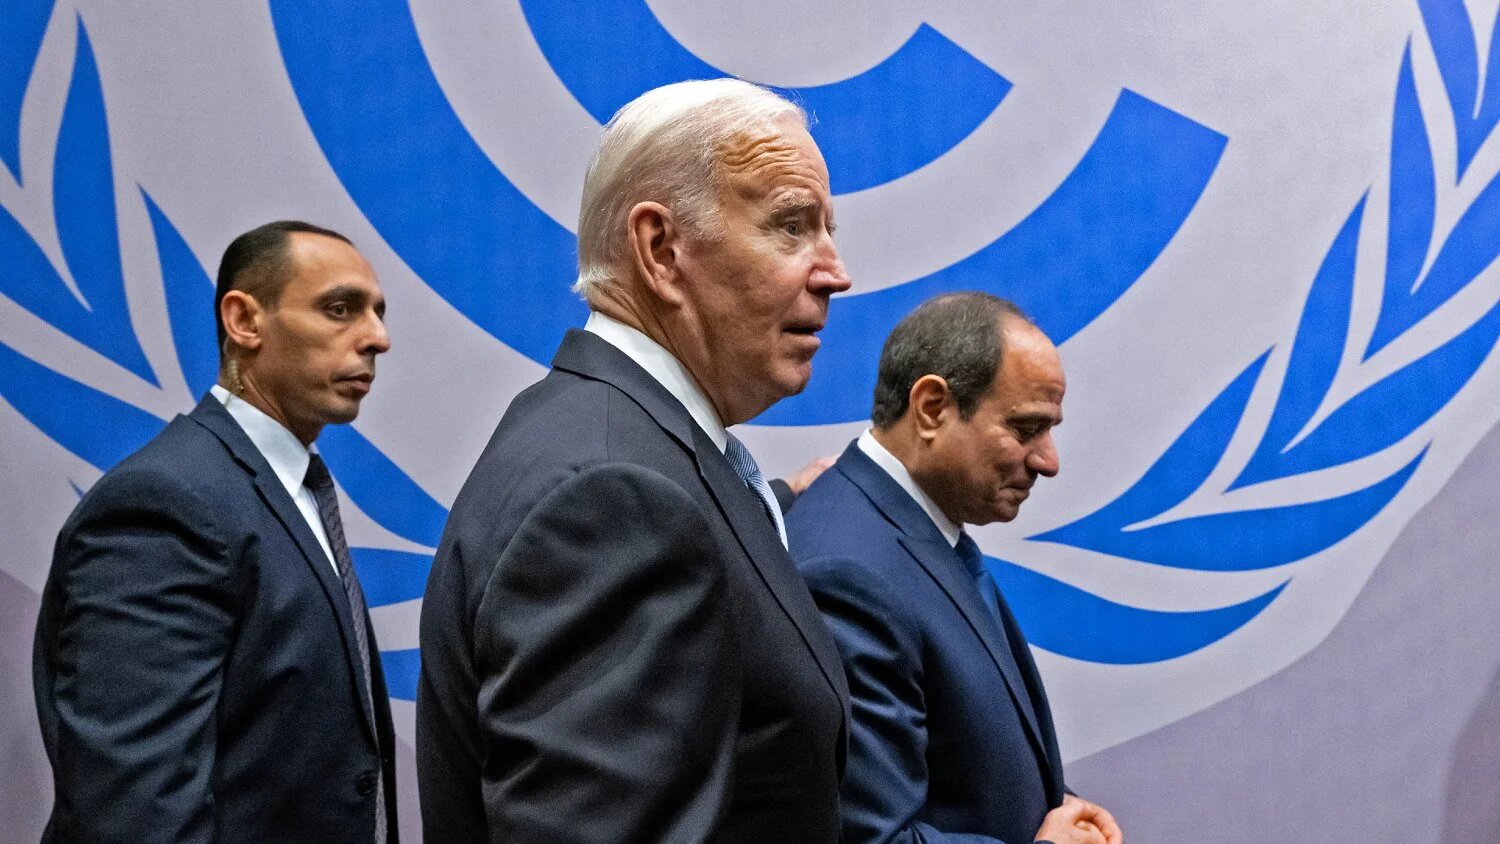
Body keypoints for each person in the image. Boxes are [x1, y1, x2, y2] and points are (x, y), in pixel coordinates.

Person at [417, 78, 853, 842]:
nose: (834, 272)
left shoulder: (612, 445)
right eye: (791, 226)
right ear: (660, 249)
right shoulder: (613, 499)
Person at [33, 221, 398, 842]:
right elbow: (135, 810)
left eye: (378, 313)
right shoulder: (166, 503)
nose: (377, 338)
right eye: (340, 309)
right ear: (244, 320)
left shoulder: (287, 486)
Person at [787, 293, 1124, 844]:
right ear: (931, 407)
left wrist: (1059, 808)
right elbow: (873, 839)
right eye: (1025, 428)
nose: (1049, 461)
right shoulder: (847, 573)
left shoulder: (909, 526)